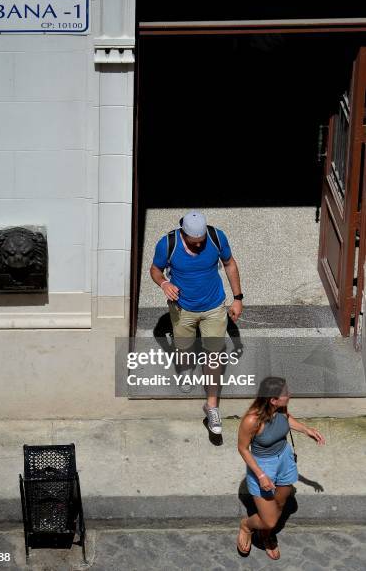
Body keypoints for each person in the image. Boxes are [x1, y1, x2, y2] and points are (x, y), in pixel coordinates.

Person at [150, 211, 243, 434]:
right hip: (183, 309)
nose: (200, 245)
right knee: (184, 348)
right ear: (184, 233)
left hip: (213, 306)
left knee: (214, 354)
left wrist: (238, 298)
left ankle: (212, 406)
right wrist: (164, 284)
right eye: (195, 242)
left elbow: (229, 264)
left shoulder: (216, 237)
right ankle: (185, 369)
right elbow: (155, 269)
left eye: (202, 241)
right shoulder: (168, 243)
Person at [237, 376, 325, 560]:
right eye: (286, 393)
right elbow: (243, 449)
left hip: (284, 458)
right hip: (263, 465)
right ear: (273, 400)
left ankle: (266, 534)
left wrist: (306, 430)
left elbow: (286, 418)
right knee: (269, 519)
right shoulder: (251, 420)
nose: (290, 394)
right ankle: (247, 526)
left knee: (281, 504)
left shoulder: (280, 407)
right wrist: (260, 475)